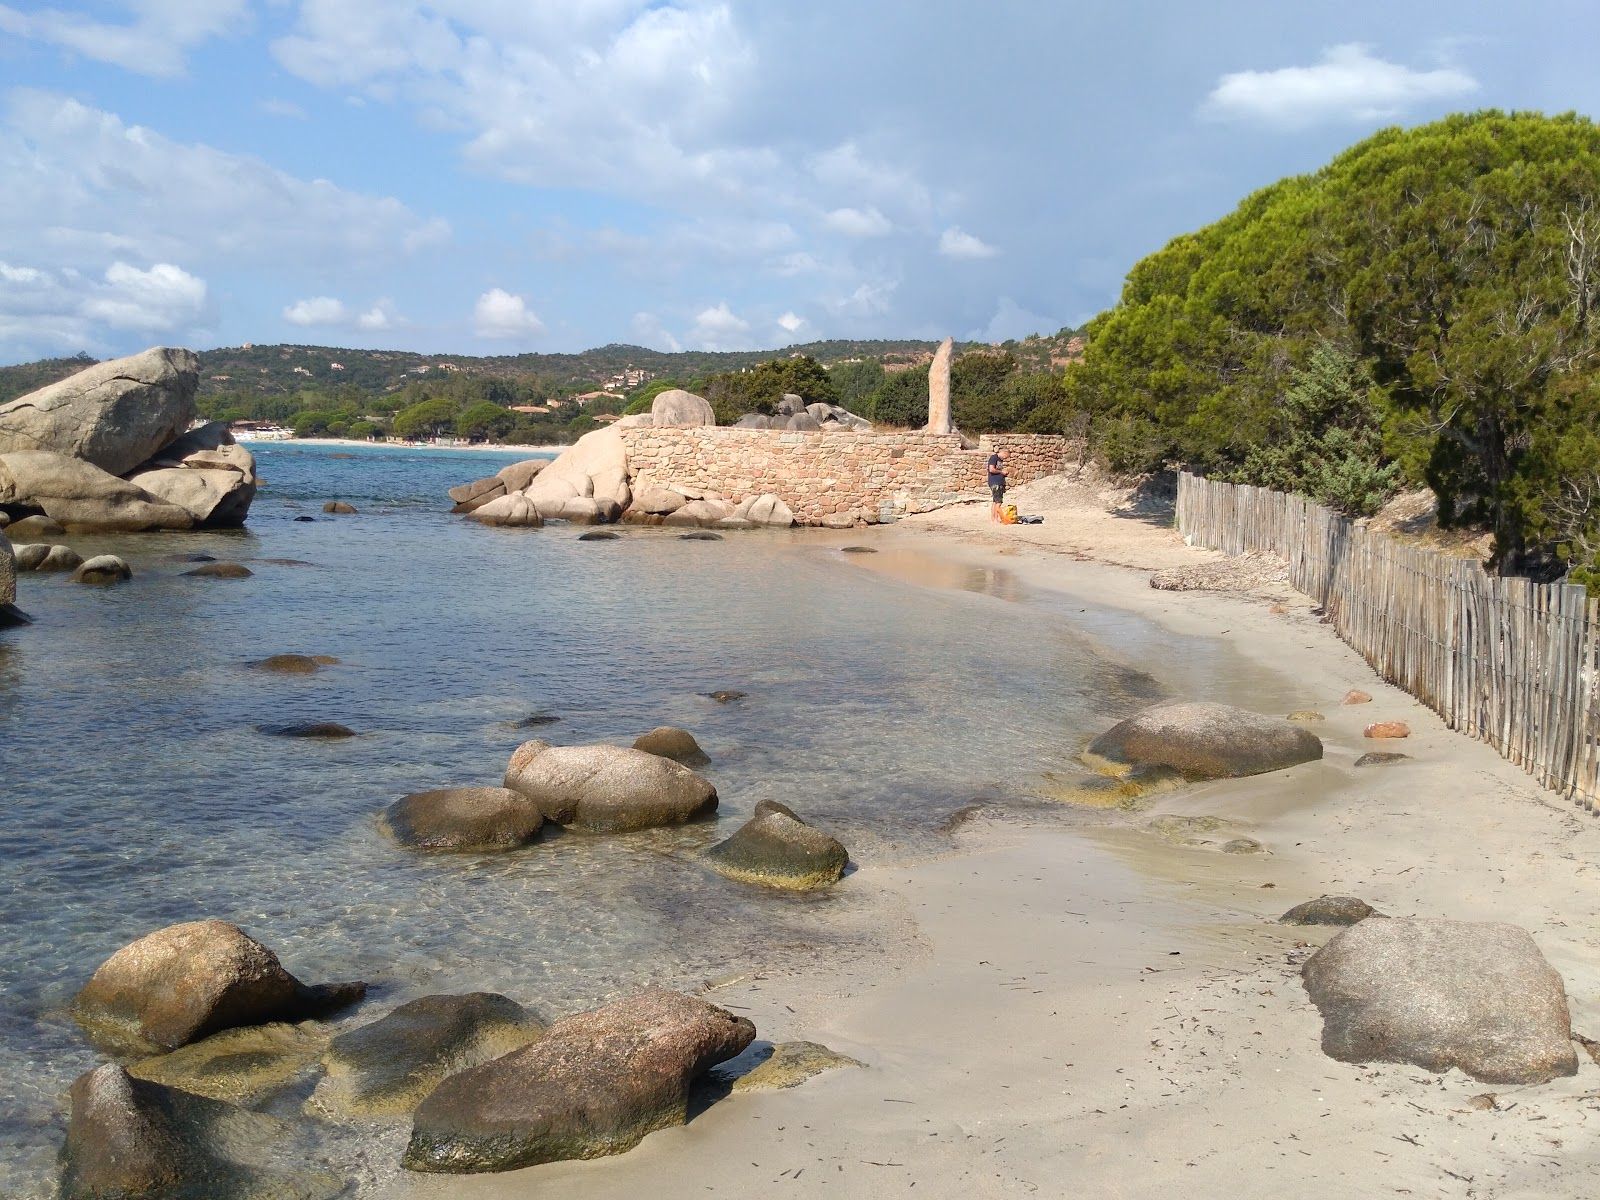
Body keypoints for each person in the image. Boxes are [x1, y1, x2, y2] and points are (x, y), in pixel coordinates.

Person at [987, 447, 1009, 522]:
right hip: (995, 482)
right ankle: (996, 519)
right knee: (999, 502)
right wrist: (1001, 472)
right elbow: (991, 469)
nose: (1006, 458)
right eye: (1006, 456)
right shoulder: (994, 458)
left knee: (995, 501)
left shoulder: (1000, 460)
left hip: (998, 482)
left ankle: (993, 519)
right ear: (1004, 453)